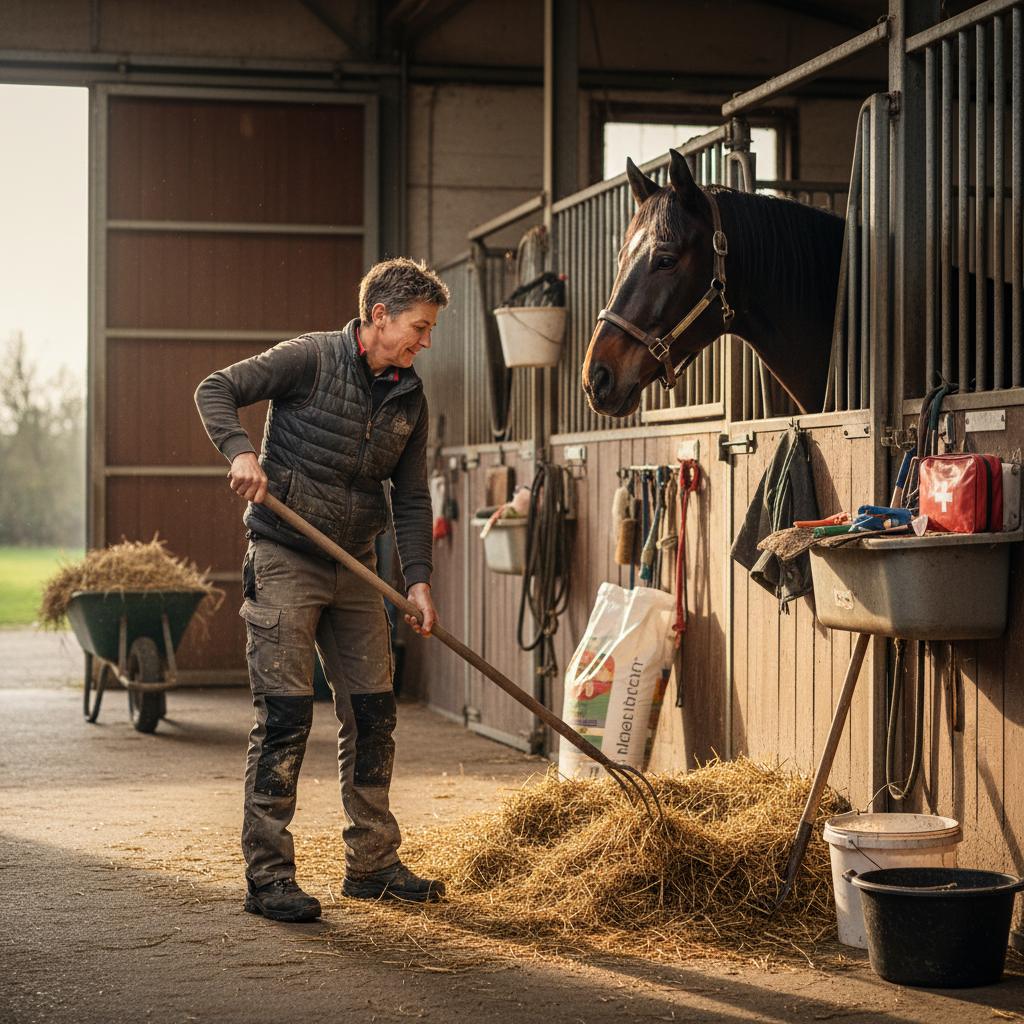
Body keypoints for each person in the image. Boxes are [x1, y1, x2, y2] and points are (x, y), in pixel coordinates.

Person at [195, 257, 449, 923]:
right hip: (285, 556)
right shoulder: (310, 359)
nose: (425, 342)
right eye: (419, 327)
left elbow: (412, 498)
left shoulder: (409, 396)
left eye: (429, 330)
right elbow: (216, 388)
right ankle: (269, 876)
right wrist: (240, 451)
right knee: (285, 717)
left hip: (357, 566)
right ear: (379, 317)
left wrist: (418, 582)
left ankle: (372, 863)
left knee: (374, 713)